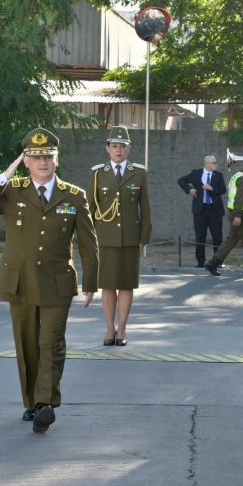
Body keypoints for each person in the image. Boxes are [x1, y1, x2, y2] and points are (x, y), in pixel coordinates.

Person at [0, 128, 98, 433]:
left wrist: (92, 282)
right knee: (27, 344)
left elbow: (88, 243)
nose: (42, 162)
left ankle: (45, 403)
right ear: (25, 161)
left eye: (48, 156)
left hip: (57, 283)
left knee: (51, 343)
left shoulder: (74, 195)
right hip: (21, 282)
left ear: (57, 159)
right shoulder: (11, 190)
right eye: (35, 157)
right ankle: (30, 403)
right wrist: (4, 175)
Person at [88, 126, 152, 347]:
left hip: (130, 238)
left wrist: (144, 238)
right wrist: (90, 238)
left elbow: (146, 209)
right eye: (114, 146)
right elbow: (90, 208)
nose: (118, 150)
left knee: (125, 285)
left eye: (122, 146)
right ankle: (109, 328)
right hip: (104, 237)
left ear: (129, 149)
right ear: (107, 148)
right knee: (107, 285)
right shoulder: (97, 173)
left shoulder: (139, 173)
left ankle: (122, 328)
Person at [204, 160, 243, 277]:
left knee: (231, 240)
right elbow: (239, 200)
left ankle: (213, 263)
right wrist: (238, 216)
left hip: (238, 214)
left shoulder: (237, 176)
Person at [177, 155, 226, 267]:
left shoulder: (218, 175)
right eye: (214, 162)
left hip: (215, 210)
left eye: (215, 162)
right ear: (207, 163)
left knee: (217, 236)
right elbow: (181, 180)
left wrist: (211, 188)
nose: (216, 164)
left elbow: (223, 190)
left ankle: (218, 261)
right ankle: (200, 262)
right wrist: (189, 189)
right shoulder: (196, 173)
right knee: (200, 236)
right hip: (200, 210)